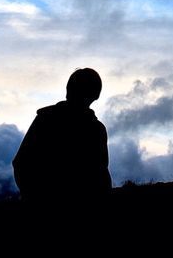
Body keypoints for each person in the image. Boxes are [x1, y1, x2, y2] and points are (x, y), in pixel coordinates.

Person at [12, 67, 112, 203]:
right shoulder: (97, 130)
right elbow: (101, 175)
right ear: (96, 95)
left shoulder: (45, 119)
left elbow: (21, 163)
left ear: (68, 90)